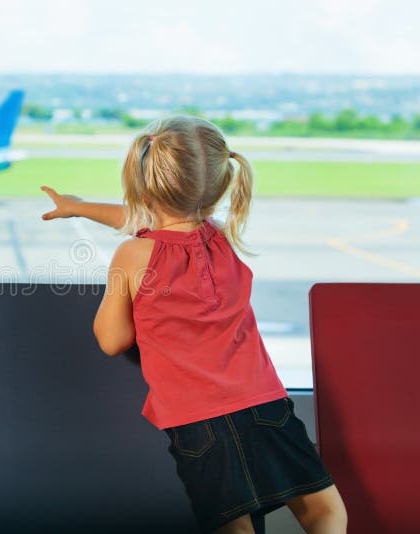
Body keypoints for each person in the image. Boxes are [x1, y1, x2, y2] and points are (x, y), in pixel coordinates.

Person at [40, 115, 347, 534]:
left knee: (235, 528)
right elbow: (142, 220)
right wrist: (79, 207)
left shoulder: (132, 255)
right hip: (265, 405)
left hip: (197, 423)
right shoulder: (221, 235)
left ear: (145, 184)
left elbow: (112, 340)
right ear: (219, 185)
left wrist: (119, 279)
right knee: (326, 512)